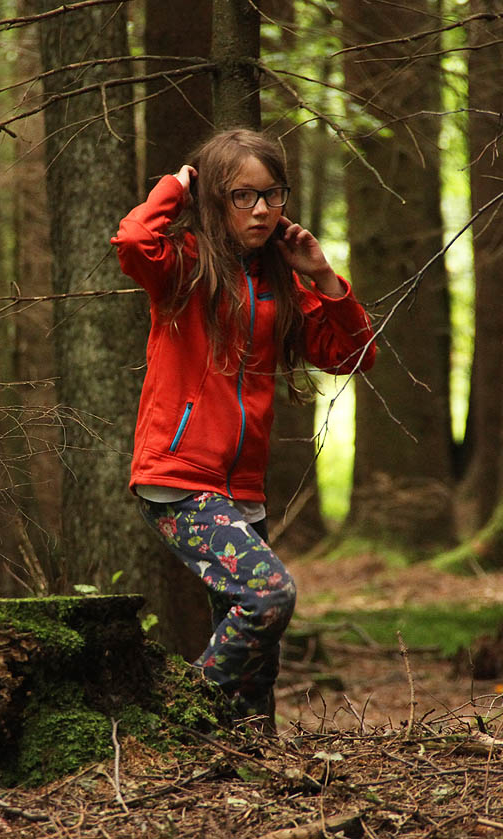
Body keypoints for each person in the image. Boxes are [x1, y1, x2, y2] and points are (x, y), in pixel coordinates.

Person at [110, 128, 377, 723]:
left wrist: (324, 278)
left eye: (272, 195)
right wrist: (175, 187)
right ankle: (179, 720)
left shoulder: (279, 286)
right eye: (241, 196)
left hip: (243, 490)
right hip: (179, 479)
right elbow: (132, 241)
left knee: (260, 664)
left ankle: (250, 762)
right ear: (213, 200)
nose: (260, 209)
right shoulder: (182, 267)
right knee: (268, 596)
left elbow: (352, 355)